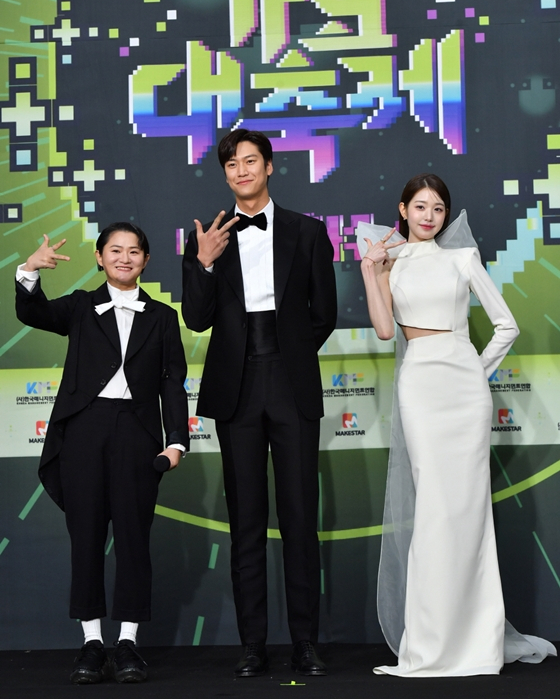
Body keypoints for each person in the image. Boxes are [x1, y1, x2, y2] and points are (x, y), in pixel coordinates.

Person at [359, 173, 555, 677]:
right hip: (419, 385)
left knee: (469, 514)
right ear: (403, 209)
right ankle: (429, 645)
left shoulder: (462, 258)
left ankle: (477, 643)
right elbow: (384, 330)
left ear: (446, 216)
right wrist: (369, 270)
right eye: (420, 206)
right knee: (433, 510)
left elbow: (507, 325)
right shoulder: (390, 263)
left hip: (465, 393)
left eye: (438, 208)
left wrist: (474, 369)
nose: (429, 216)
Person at [182, 128, 337, 677]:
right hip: (236, 387)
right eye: (232, 164)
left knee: (299, 518)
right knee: (245, 520)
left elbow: (324, 314)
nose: (242, 171)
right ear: (224, 174)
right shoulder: (207, 237)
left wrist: (288, 354)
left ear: (269, 166)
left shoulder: (307, 231)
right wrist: (202, 264)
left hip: (291, 384)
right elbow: (196, 319)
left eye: (251, 161)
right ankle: (252, 645)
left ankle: (306, 642)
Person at [15, 222, 189, 684]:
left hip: (137, 434)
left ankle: (128, 642)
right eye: (115, 250)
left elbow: (173, 382)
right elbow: (32, 312)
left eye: (133, 251)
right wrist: (30, 269)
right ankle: (92, 643)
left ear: (146, 260)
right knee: (86, 537)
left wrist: (176, 441)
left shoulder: (162, 316)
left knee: (134, 538)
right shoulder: (79, 307)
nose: (124, 258)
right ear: (99, 257)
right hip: (83, 432)